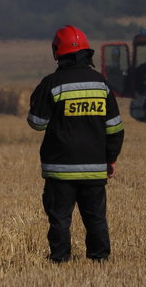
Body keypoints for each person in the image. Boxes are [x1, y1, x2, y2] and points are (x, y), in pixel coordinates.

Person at [27, 25, 124, 263]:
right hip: (94, 167)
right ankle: (100, 260)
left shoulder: (52, 83)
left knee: (60, 219)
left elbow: (37, 123)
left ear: (57, 52)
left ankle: (60, 261)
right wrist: (110, 158)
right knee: (96, 219)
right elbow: (115, 127)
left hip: (60, 170)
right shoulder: (101, 84)